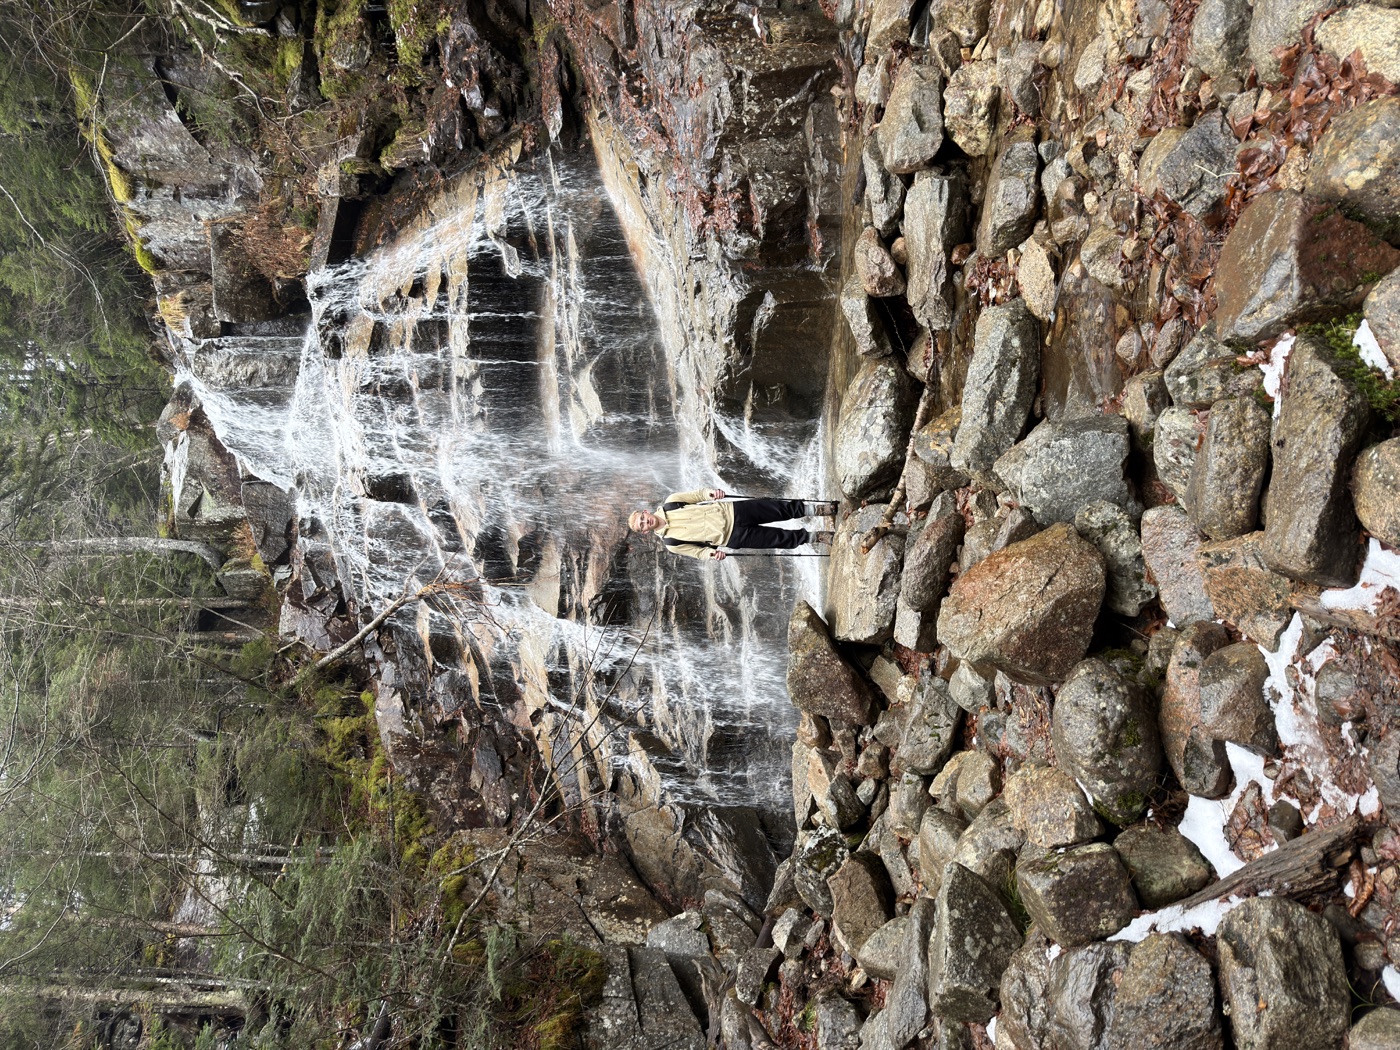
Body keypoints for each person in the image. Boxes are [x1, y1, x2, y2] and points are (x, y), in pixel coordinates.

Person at [628, 488, 837, 560]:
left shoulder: (671, 501)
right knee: (778, 539)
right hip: (732, 538)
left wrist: (712, 493)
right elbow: (698, 553)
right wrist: (712, 554)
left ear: (646, 512)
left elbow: (697, 495)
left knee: (778, 508)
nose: (646, 522)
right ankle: (817, 537)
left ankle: (818, 510)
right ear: (645, 532)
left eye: (643, 518)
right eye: (643, 525)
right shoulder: (671, 544)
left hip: (733, 510)